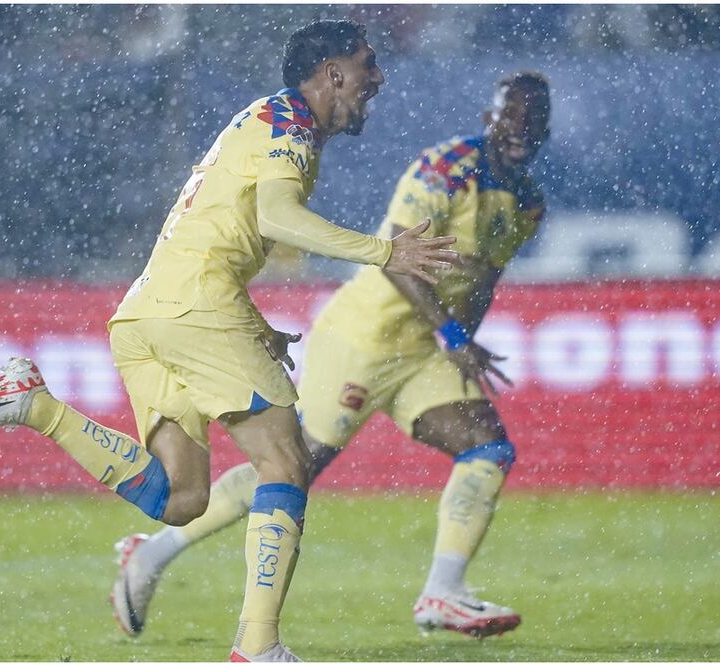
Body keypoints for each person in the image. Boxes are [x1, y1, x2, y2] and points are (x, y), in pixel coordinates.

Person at [0, 19, 457, 663]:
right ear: (332, 72)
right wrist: (386, 252)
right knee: (285, 463)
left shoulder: (266, 121)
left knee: (180, 498)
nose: (377, 78)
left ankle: (36, 406)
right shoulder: (289, 124)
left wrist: (256, 326)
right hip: (197, 306)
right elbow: (275, 218)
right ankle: (258, 645)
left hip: (147, 311)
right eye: (367, 65)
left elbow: (222, 231)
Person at [111, 71, 550, 640]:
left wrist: (461, 340)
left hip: (425, 351)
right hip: (364, 339)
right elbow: (399, 259)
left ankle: (443, 591)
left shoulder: (527, 203)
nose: (521, 129)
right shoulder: (444, 169)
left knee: (487, 446)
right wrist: (455, 337)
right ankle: (153, 552)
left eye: (533, 120)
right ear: (490, 117)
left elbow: (484, 279)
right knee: (294, 466)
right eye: (511, 115)